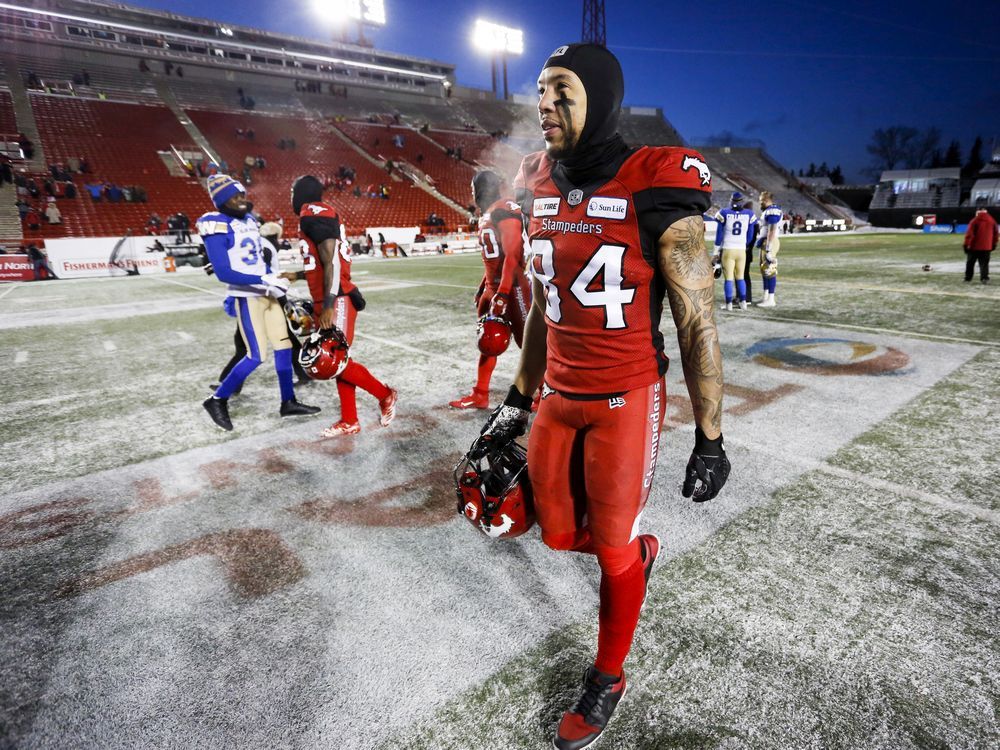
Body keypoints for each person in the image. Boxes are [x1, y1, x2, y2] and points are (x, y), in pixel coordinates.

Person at [468, 43, 729, 750]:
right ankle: (632, 557)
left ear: (601, 99)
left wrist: (711, 436)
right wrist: (516, 400)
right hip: (558, 392)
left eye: (561, 90)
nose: (544, 103)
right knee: (552, 534)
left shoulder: (655, 182)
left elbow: (697, 320)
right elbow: (542, 310)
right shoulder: (539, 182)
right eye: (541, 90)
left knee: (608, 546)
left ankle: (608, 673)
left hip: (625, 397)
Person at [198, 174, 320, 431]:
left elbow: (256, 261)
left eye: (242, 194)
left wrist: (274, 281)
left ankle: (288, 401)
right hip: (248, 297)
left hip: (267, 294)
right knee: (255, 355)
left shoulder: (250, 220)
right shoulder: (215, 223)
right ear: (222, 198)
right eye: (235, 196)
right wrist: (265, 281)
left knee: (284, 347)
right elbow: (224, 273)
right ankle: (216, 400)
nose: (242, 199)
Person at [289, 175, 397, 437]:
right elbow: (322, 261)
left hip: (335, 298)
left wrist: (328, 305)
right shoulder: (315, 214)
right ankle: (350, 420)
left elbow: (333, 263)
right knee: (338, 360)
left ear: (301, 193)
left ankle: (385, 395)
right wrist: (299, 275)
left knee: (333, 359)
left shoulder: (312, 212)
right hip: (331, 295)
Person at [449, 170, 530, 409]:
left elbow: (513, 254)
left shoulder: (504, 208)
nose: (473, 195)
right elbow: (494, 258)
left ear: (483, 189)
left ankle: (544, 391)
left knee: (527, 342)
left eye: (474, 190)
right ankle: (480, 393)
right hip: (494, 287)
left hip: (513, 288)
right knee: (487, 340)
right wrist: (484, 285)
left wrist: (503, 292)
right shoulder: (488, 213)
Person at [713, 191, 757, 310]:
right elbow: (751, 235)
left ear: (731, 201)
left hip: (728, 249)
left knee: (728, 278)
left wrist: (715, 252)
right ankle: (743, 303)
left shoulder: (724, 213)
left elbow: (719, 234)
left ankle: (728, 304)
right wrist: (745, 244)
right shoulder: (749, 214)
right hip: (741, 250)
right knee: (740, 277)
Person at [757, 192, 783, 306]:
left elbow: (772, 230)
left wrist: (768, 249)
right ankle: (766, 296)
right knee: (764, 269)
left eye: (762, 200)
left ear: (768, 200)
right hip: (766, 241)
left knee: (770, 269)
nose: (760, 202)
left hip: (770, 242)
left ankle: (771, 299)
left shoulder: (772, 210)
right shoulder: (767, 211)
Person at [963, 207, 997, 284]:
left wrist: (966, 245)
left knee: (970, 263)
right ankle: (984, 278)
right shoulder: (992, 220)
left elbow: (969, 234)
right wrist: (994, 244)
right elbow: (996, 234)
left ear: (978, 212)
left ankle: (968, 278)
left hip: (974, 247)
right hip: (986, 247)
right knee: (984, 264)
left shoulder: (974, 221)